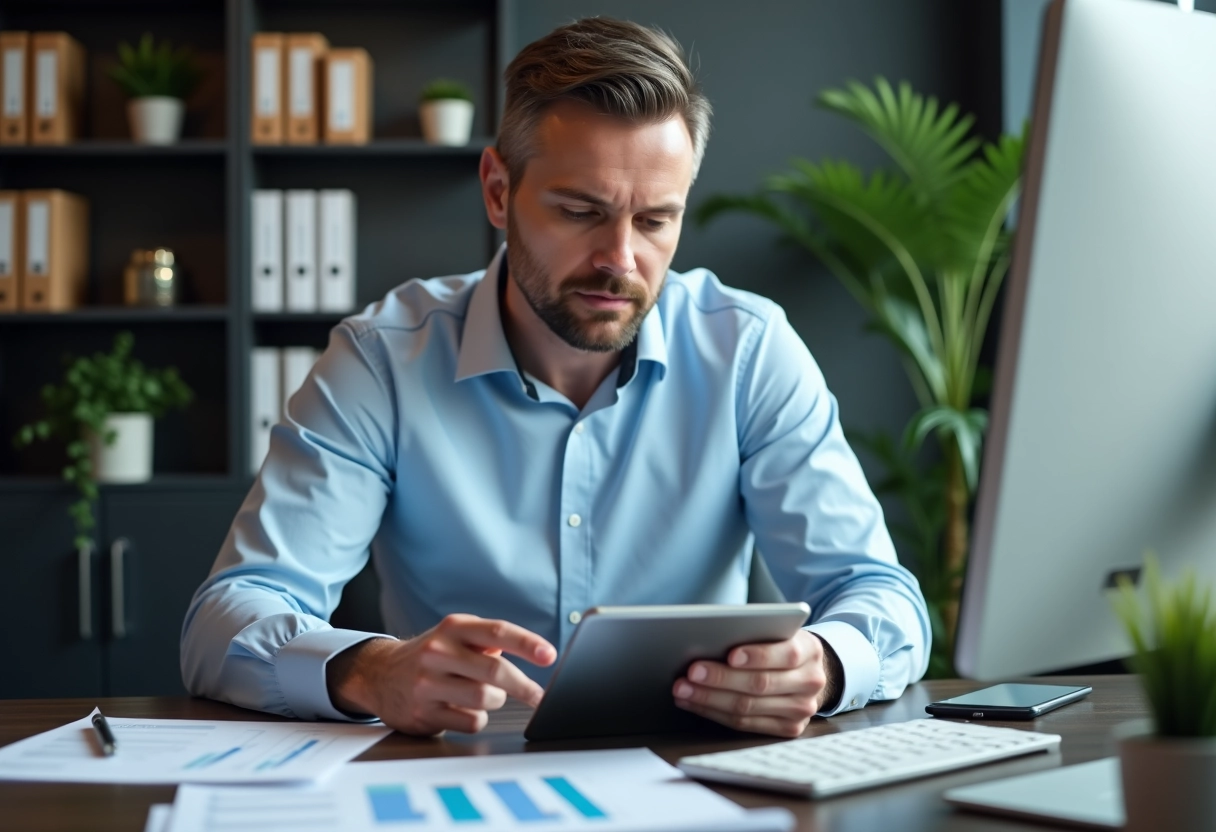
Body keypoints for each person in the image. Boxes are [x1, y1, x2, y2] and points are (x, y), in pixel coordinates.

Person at [182, 17, 929, 740]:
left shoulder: (748, 350)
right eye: (582, 211)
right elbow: (227, 620)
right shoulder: (382, 360)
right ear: (499, 191)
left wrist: (826, 665)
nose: (620, 259)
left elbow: (880, 596)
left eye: (655, 221)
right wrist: (370, 670)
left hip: (692, 775)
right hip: (454, 780)